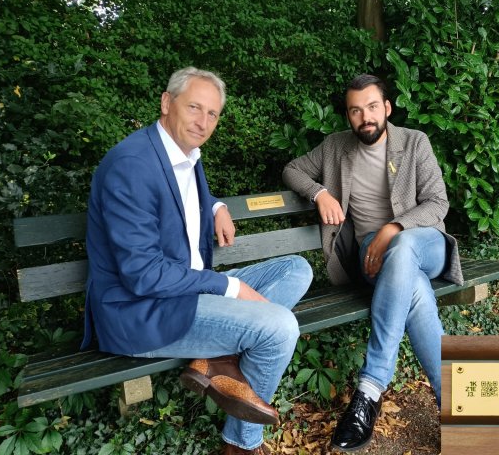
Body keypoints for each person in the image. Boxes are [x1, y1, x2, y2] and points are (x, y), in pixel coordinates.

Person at [82, 66, 313, 455]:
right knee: (279, 327)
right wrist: (230, 286)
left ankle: (213, 356)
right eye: (194, 107)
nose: (203, 122)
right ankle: (240, 444)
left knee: (295, 269)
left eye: (212, 113)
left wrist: (216, 205)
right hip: (142, 310)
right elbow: (142, 275)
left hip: (182, 289)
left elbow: (179, 197)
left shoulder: (183, 153)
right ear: (166, 102)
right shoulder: (131, 166)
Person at [282, 74, 463, 452]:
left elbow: (437, 203)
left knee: (405, 245)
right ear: (348, 116)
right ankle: (458, 410)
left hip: (424, 243)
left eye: (372, 107)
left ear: (387, 108)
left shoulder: (414, 142)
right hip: (374, 258)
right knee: (412, 287)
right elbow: (292, 169)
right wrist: (319, 193)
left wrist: (393, 228)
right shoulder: (335, 147)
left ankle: (370, 387)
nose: (365, 116)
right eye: (355, 110)